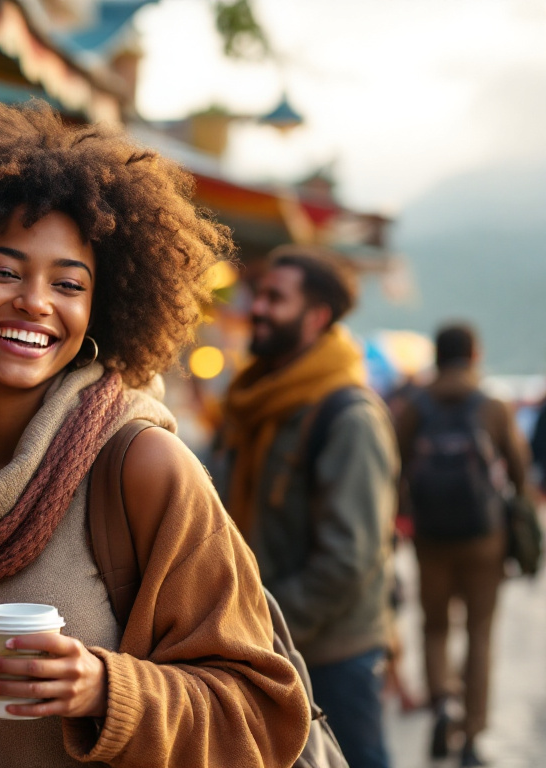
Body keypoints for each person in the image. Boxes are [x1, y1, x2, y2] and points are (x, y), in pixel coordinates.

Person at [0, 92, 311, 768]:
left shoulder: (143, 467)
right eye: (3, 271)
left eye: (69, 284)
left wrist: (105, 688)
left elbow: (261, 710)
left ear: (101, 310)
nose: (34, 302)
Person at [213, 249, 398, 768]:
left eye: (277, 298)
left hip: (330, 656)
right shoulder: (251, 401)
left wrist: (261, 629)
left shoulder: (350, 416)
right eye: (260, 294)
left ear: (316, 318)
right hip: (263, 650)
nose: (258, 308)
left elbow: (348, 560)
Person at [395, 323, 532, 767]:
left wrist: (405, 517)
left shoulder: (416, 405)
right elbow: (518, 467)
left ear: (437, 356)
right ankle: (471, 734)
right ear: (474, 355)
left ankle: (443, 702)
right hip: (483, 537)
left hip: (431, 535)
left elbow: (395, 464)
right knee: (479, 633)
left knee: (435, 626)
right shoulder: (491, 405)